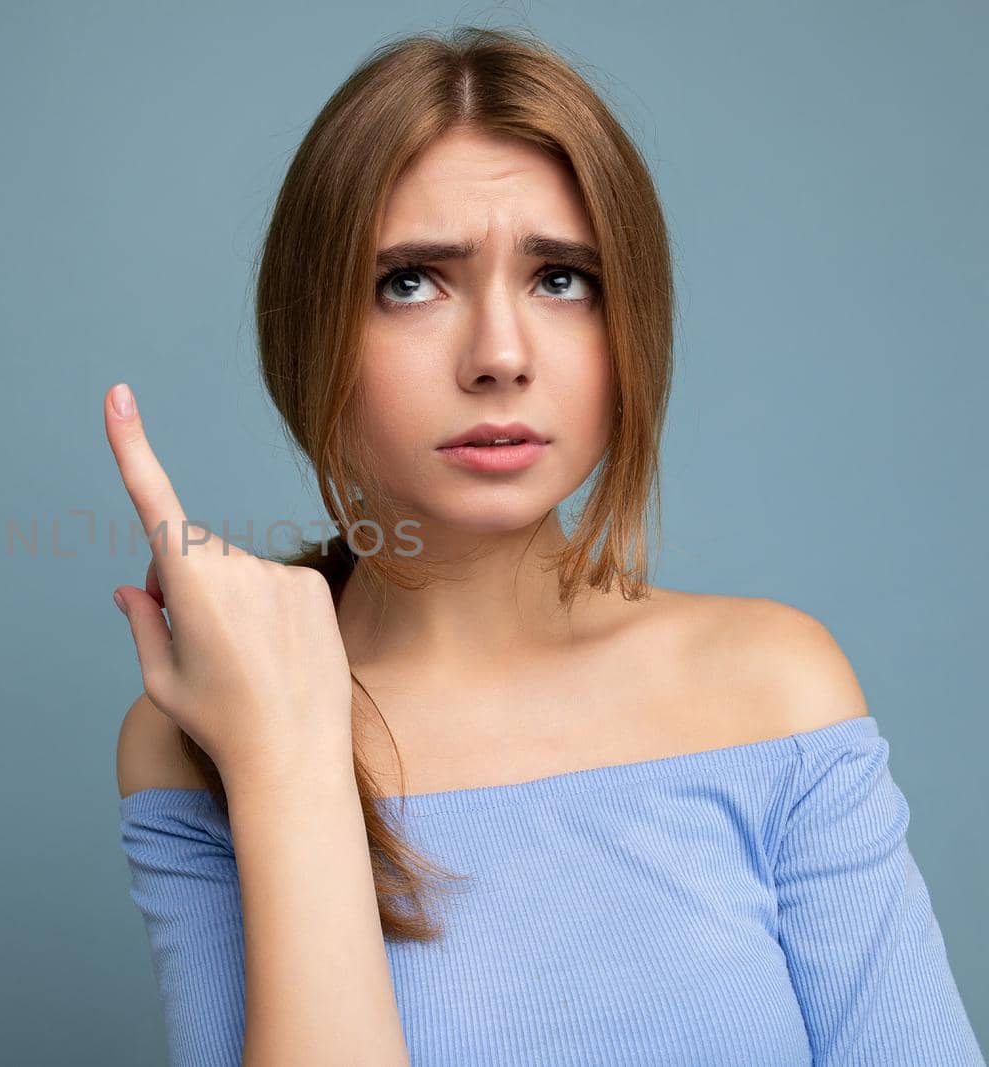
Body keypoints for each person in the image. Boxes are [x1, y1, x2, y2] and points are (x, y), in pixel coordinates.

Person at [106, 25, 984, 1067]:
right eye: (410, 281)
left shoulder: (773, 687)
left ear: (631, 325)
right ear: (312, 331)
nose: (500, 354)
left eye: (561, 279)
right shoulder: (203, 728)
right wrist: (289, 761)